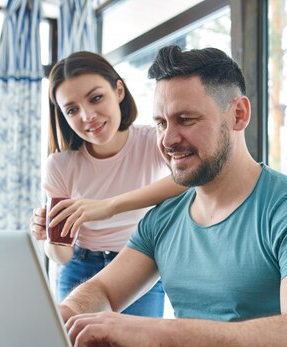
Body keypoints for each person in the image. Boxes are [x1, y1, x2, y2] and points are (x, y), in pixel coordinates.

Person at [59, 45, 287, 347]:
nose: (168, 139)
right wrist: (65, 315)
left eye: (185, 120)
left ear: (238, 115)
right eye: (160, 123)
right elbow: (103, 291)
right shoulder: (164, 218)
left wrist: (161, 332)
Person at [30, 51, 186, 317]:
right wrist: (49, 237)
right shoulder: (60, 165)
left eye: (96, 98)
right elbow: (62, 257)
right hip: (80, 268)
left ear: (119, 91)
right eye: (72, 110)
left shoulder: (152, 141)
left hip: (139, 265)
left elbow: (187, 181)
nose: (87, 116)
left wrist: (109, 206)